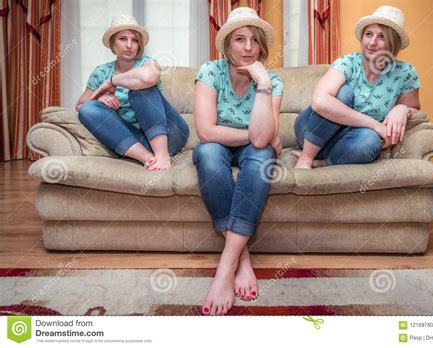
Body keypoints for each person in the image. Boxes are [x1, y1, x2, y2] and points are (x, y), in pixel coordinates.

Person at [193, 7, 283, 316]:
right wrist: (261, 134)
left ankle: (222, 272)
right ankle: (241, 259)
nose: (247, 48)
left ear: (261, 47)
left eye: (254, 41)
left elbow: (260, 144)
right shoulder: (209, 72)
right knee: (207, 153)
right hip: (217, 146)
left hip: (249, 147)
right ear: (227, 44)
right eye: (239, 39)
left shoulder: (271, 81)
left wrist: (264, 85)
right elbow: (206, 132)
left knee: (261, 158)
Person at [292, 6, 420, 169]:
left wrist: (403, 109)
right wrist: (375, 124)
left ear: (393, 42)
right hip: (310, 132)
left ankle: (324, 162)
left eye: (382, 36)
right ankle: (305, 158)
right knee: (344, 93)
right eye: (369, 34)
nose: (372, 42)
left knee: (370, 140)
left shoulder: (405, 72)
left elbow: (414, 107)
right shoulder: (348, 63)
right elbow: (320, 102)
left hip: (346, 143)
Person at [76, 14, 189, 171]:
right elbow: (81, 106)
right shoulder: (100, 72)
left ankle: (162, 155)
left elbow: (148, 78)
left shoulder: (148, 63)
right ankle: (148, 159)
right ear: (112, 43)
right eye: (122, 39)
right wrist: (98, 101)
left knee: (139, 89)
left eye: (134, 40)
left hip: (170, 134)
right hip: (137, 141)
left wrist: (112, 81)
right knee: (88, 108)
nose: (129, 45)